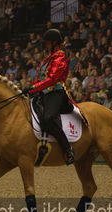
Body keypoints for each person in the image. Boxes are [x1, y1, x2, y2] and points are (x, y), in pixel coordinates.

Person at [22, 29, 74, 165]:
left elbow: (52, 79)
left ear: (54, 43)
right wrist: (31, 87)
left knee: (48, 118)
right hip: (44, 93)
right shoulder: (50, 58)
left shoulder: (60, 57)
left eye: (47, 43)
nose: (45, 45)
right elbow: (41, 78)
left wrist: (34, 88)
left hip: (57, 92)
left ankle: (68, 149)